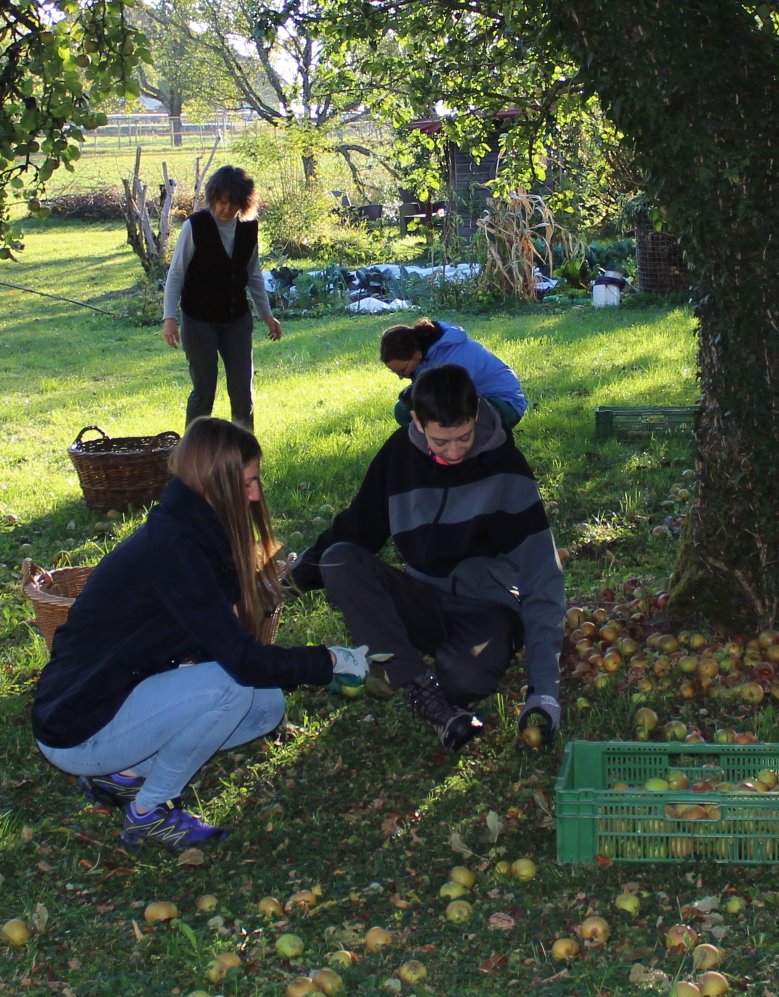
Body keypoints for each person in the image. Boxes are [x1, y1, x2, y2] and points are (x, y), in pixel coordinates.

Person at [32, 418, 367, 849]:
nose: (256, 494)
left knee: (264, 707)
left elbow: (220, 643)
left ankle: (123, 776)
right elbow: (243, 661)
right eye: (247, 483)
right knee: (234, 686)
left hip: (119, 696)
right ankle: (149, 812)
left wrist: (308, 667)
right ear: (215, 483)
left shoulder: (195, 527)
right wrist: (328, 661)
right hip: (79, 724)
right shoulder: (175, 549)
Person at [289, 363, 567, 753]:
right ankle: (421, 688)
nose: (454, 452)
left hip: (486, 607)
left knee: (466, 684)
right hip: (421, 598)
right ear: (418, 422)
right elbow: (356, 529)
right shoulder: (398, 456)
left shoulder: (508, 469)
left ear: (475, 413)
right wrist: (292, 579)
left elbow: (543, 577)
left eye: (464, 437)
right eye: (441, 441)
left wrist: (544, 689)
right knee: (339, 560)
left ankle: (447, 669)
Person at [161, 165, 281, 429]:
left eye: (233, 203)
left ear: (244, 203)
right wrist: (169, 318)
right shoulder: (196, 225)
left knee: (242, 391)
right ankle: (195, 450)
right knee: (204, 390)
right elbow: (176, 273)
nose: (226, 209)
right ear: (213, 198)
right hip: (198, 320)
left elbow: (254, 274)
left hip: (236, 319)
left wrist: (267, 315)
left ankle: (243, 448)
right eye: (221, 201)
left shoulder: (249, 228)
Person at [379, 317, 527, 429]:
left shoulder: (451, 356)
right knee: (403, 410)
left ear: (416, 355)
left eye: (401, 371)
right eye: (394, 372)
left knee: (446, 414)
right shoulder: (424, 353)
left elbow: (450, 398)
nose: (400, 376)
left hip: (504, 404)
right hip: (472, 398)